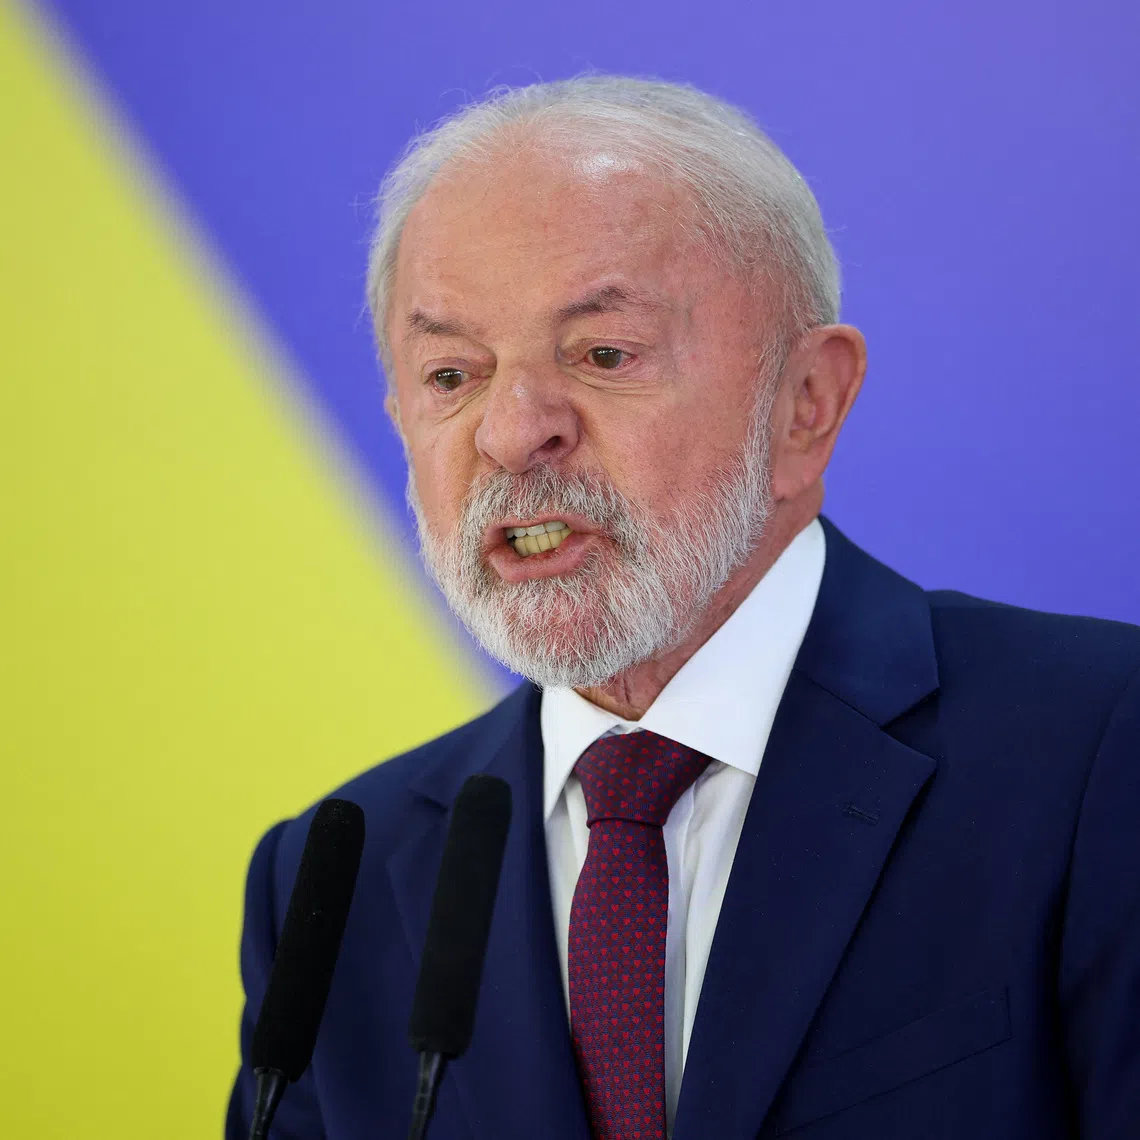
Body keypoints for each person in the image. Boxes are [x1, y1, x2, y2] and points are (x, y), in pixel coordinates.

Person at [226, 77, 1140, 1139]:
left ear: (807, 404)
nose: (513, 432)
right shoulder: (333, 877)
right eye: (450, 375)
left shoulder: (1098, 751)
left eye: (603, 354)